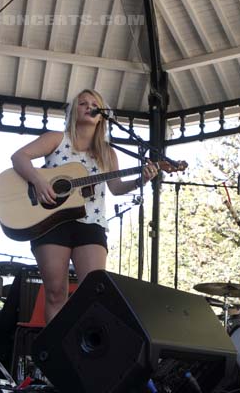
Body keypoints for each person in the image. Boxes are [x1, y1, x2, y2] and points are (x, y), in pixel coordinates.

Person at [11, 89, 158, 323]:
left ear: (102, 116)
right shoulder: (56, 139)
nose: (89, 107)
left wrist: (142, 179)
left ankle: (81, 353)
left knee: (93, 292)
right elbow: (19, 157)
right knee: (56, 292)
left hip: (91, 223)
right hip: (51, 222)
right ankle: (57, 354)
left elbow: (116, 188)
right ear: (73, 111)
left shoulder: (107, 153)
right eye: (83, 103)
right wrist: (38, 181)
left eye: (94, 104)